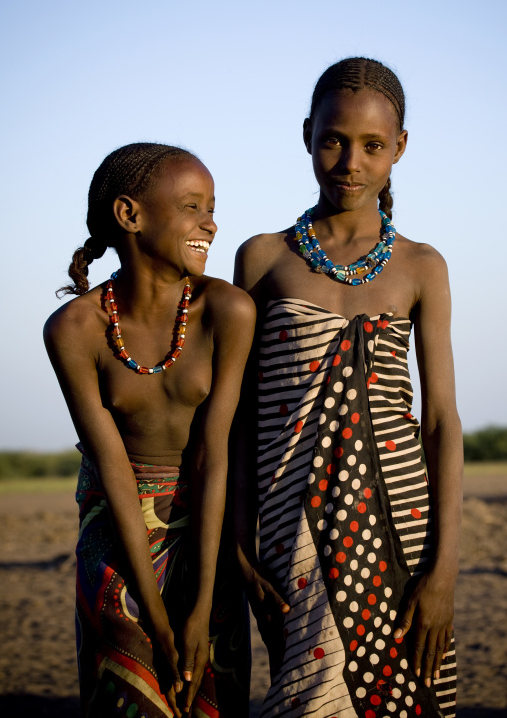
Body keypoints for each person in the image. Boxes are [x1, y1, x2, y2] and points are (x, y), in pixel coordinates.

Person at [234, 58, 461, 717]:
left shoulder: (422, 266)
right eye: (333, 139)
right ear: (307, 133)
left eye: (372, 146)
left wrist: (443, 571)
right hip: (289, 525)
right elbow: (243, 419)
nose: (350, 163)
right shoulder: (262, 258)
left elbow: (441, 420)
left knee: (404, 693)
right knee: (308, 697)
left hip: (401, 524)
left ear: (400, 149)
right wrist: (244, 548)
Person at [44, 142, 255, 718]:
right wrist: (157, 622)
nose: (210, 224)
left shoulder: (227, 311)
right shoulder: (75, 328)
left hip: (205, 531)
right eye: (192, 206)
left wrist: (202, 600)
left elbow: (216, 455)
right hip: (116, 535)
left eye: (212, 206)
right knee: (129, 693)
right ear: (129, 215)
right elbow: (112, 469)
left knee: (213, 690)